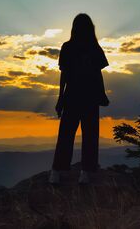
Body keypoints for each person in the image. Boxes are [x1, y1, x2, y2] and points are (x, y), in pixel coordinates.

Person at [49, 13, 109, 185]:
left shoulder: (70, 47)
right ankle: (84, 172)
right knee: (88, 135)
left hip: (75, 96)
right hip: (85, 96)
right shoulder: (91, 48)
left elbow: (65, 75)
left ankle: (58, 171)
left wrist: (60, 98)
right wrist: (102, 93)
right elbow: (97, 74)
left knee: (67, 134)